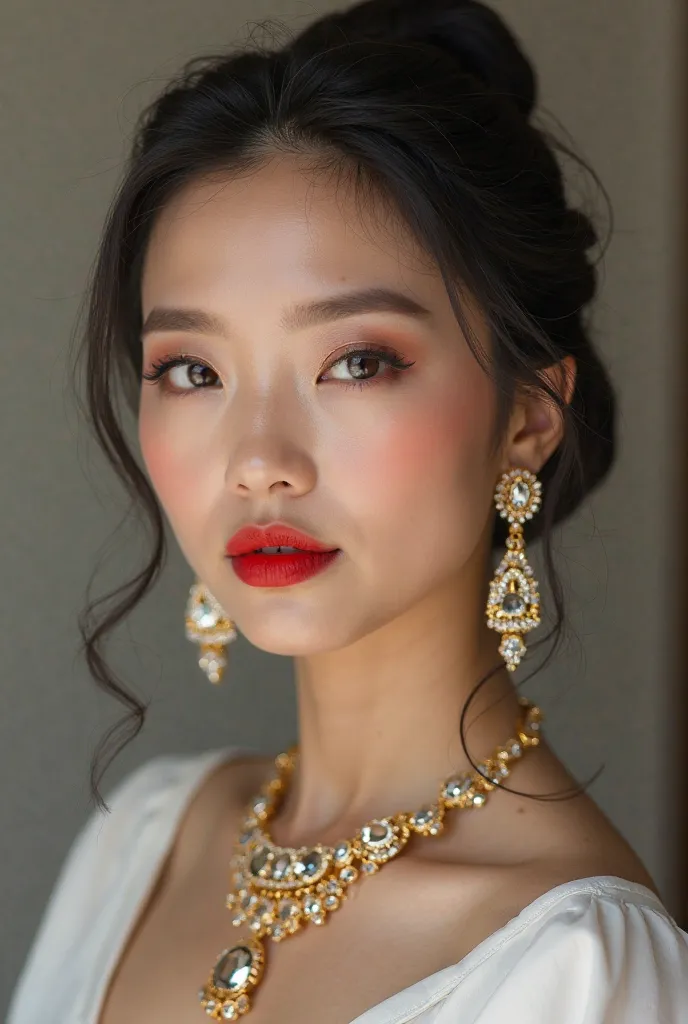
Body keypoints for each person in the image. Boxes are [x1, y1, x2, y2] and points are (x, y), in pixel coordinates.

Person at [8, 0, 688, 1021]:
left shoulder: (582, 968)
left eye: (355, 362)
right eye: (193, 369)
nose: (259, 461)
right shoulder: (142, 838)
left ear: (528, 416)